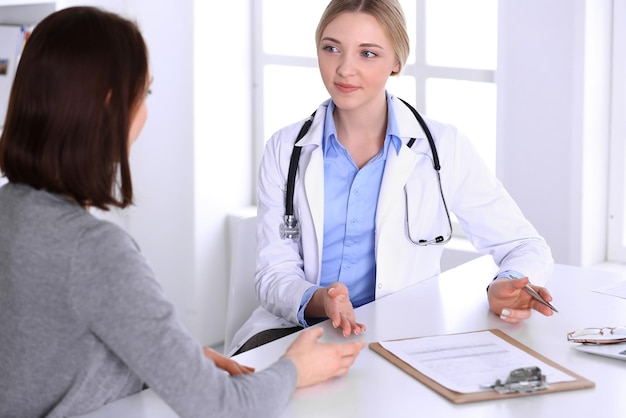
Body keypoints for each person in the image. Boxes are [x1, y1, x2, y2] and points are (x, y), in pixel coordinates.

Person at [0, 7, 365, 418]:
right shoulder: (95, 251)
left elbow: (42, 362)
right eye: (145, 93)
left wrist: (176, 362)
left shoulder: (9, 210)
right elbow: (220, 406)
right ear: (110, 105)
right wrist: (296, 369)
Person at [227, 0, 555, 357]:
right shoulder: (286, 148)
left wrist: (508, 283)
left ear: (397, 62)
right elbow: (274, 275)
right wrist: (320, 300)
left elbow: (526, 245)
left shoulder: (444, 147)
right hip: (296, 333)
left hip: (401, 338)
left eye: (368, 53)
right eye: (331, 48)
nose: (344, 69)